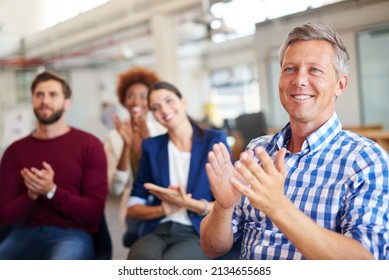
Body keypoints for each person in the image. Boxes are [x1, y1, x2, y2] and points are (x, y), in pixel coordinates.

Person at [200, 23, 389, 260]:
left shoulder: (366, 160)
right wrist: (223, 207)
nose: (299, 80)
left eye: (315, 70)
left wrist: (278, 207)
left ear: (340, 85)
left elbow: (367, 265)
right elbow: (211, 248)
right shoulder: (257, 150)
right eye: (290, 69)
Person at [0, 70, 108, 260]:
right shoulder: (14, 151)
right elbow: (4, 215)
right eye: (39, 95)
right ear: (33, 101)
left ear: (67, 104)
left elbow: (94, 212)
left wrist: (51, 191)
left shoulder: (90, 145)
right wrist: (31, 195)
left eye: (53, 95)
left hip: (72, 235)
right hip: (24, 233)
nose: (45, 100)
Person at [126, 81, 230, 260]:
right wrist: (164, 209)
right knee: (139, 258)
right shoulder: (151, 147)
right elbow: (133, 208)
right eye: (156, 107)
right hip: (158, 229)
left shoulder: (214, 140)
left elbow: (230, 203)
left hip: (197, 230)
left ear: (183, 101)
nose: (164, 111)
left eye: (169, 101)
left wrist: (189, 204)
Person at [103, 67, 166, 228]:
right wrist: (126, 145)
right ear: (123, 100)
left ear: (151, 101)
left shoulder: (163, 130)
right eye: (131, 96)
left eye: (143, 97)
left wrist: (147, 138)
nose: (136, 101)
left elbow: (165, 173)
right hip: (133, 209)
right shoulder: (113, 137)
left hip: (164, 201)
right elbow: (115, 188)